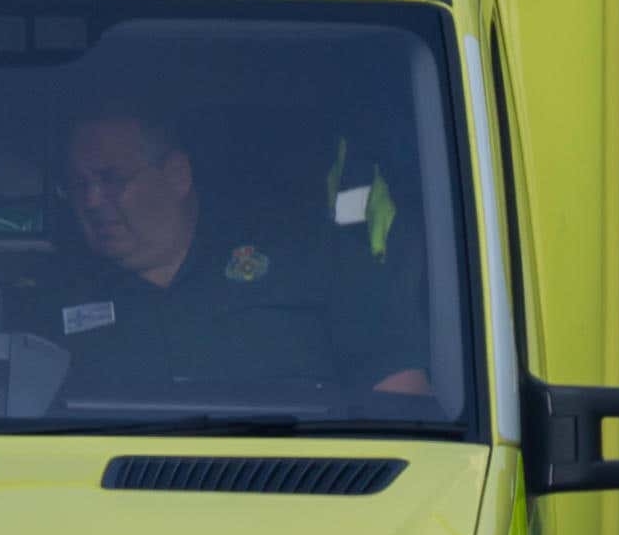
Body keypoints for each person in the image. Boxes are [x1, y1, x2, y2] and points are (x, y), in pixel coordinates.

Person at [50, 109, 433, 403]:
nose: (92, 201)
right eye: (78, 185)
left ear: (177, 175)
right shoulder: (55, 293)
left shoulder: (307, 256)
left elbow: (400, 391)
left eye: (112, 179)